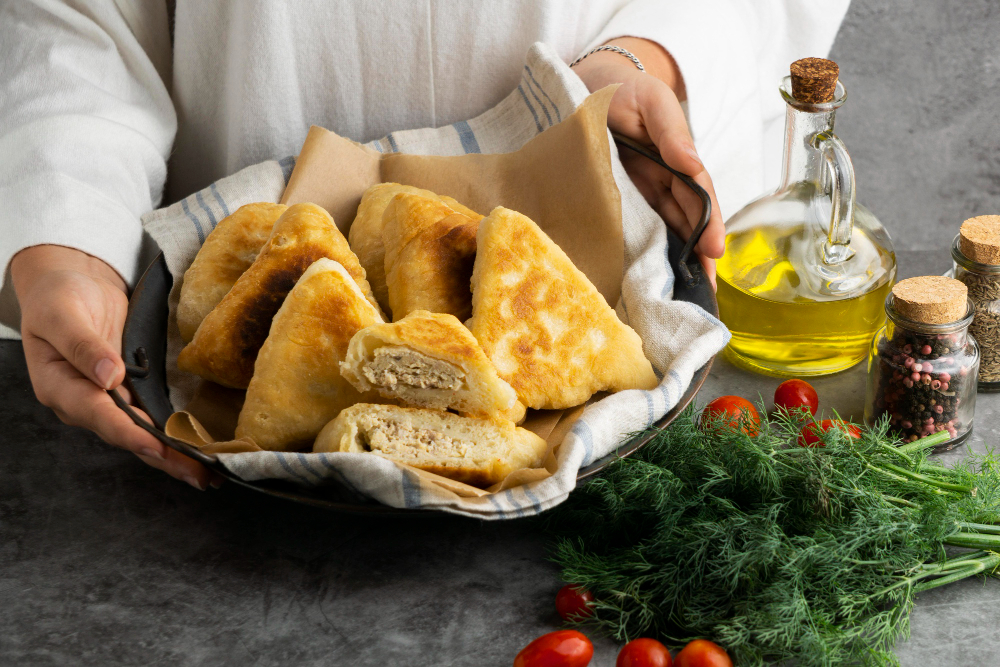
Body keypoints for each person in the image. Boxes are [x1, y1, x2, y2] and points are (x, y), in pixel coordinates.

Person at [0, 1, 849, 490]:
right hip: (207, 450)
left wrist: (648, 56)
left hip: (599, 238)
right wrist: (70, 228)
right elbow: (75, 22)